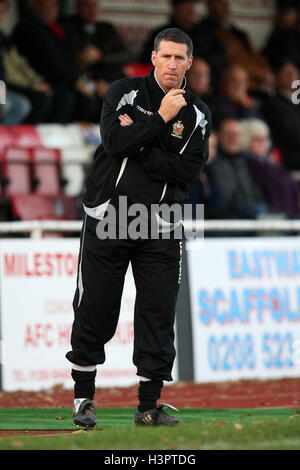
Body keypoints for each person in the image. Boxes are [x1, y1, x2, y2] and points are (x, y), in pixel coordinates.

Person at [66, 27, 211, 428]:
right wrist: (160, 120)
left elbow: (188, 170)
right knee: (96, 306)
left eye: (180, 58)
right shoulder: (122, 92)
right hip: (110, 215)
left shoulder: (199, 114)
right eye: (165, 56)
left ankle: (148, 407)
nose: (172, 64)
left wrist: (143, 142)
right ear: (153, 58)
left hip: (160, 224)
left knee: (158, 311)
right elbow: (113, 142)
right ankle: (83, 400)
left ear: (189, 63)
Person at [12, 0, 99, 122]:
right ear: (35, 3)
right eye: (51, 2)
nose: (55, 6)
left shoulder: (50, 28)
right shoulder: (27, 28)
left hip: (24, 83)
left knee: (95, 96)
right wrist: (34, 85)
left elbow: (66, 58)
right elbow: (47, 63)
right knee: (62, 98)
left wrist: (82, 79)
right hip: (11, 87)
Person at [140, 0, 227, 90]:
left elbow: (221, 57)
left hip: (207, 90)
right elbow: (148, 62)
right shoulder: (161, 34)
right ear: (175, 9)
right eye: (186, 6)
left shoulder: (205, 32)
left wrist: (203, 65)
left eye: (192, 6)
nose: (191, 10)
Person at [60, 0, 131, 104]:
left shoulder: (107, 28)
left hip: (109, 79)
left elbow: (126, 55)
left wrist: (102, 57)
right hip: (82, 79)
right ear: (77, 8)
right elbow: (68, 58)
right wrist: (96, 82)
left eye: (94, 6)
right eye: (87, 6)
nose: (91, 10)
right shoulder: (67, 27)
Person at [201, 0, 272, 92]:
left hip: (256, 80)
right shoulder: (206, 32)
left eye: (227, 4)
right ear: (210, 6)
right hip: (235, 83)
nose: (226, 8)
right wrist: (263, 74)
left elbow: (254, 55)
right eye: (221, 4)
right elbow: (233, 61)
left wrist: (266, 72)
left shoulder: (238, 33)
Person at [205, 117, 268, 219]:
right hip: (226, 217)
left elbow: (256, 191)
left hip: (250, 212)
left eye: (236, 135)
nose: (233, 138)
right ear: (220, 136)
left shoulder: (247, 161)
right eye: (229, 134)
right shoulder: (211, 163)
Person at [240, 118, 300, 217]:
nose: (263, 143)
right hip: (272, 215)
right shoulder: (247, 163)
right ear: (245, 140)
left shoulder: (267, 163)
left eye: (265, 139)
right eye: (258, 139)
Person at [262, 60, 300, 170]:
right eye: (287, 73)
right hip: (289, 158)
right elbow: (293, 135)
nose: (292, 76)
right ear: (277, 77)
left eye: (294, 72)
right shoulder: (273, 104)